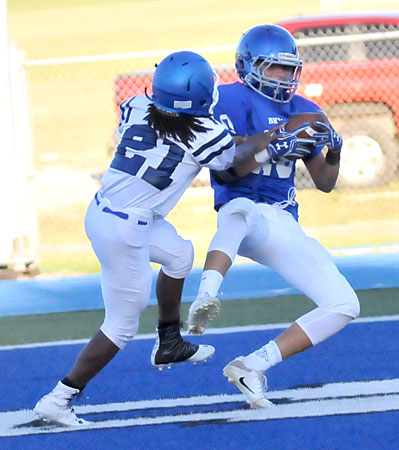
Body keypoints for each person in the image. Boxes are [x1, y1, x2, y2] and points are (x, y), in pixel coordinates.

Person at [33, 50, 295, 426]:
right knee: (121, 326)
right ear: (204, 96)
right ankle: (59, 398)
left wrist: (252, 139)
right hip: (127, 229)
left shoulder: (136, 105)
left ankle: (169, 341)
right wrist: (269, 141)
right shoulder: (207, 133)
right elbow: (232, 161)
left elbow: (191, 135)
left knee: (178, 255)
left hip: (106, 210)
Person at [187, 25, 360, 408]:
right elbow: (227, 170)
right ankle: (205, 297)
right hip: (241, 209)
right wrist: (272, 142)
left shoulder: (306, 111)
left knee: (345, 303)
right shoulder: (231, 100)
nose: (284, 78)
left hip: (281, 221)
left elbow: (326, 183)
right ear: (248, 67)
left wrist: (333, 153)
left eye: (289, 69)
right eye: (274, 69)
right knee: (239, 210)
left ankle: (253, 366)